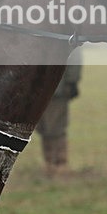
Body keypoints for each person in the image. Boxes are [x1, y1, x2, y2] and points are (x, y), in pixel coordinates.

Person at [36, 48, 83, 178]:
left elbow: (74, 57)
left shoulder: (67, 34)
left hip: (58, 90)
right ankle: (50, 163)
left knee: (56, 128)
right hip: (40, 90)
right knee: (44, 128)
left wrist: (71, 82)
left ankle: (60, 163)